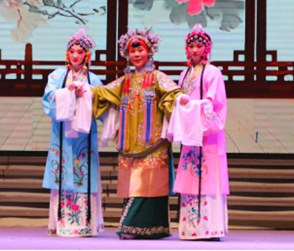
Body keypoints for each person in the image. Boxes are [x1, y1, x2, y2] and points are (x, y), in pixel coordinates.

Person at [74, 28, 187, 239]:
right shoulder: (124, 81)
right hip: (129, 144)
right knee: (135, 186)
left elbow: (173, 94)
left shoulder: (158, 78)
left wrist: (179, 100)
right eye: (132, 52)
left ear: (149, 52)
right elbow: (102, 92)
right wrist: (85, 90)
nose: (136, 55)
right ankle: (151, 228)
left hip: (153, 144)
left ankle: (131, 227)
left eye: (140, 50)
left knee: (148, 185)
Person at [41, 28, 105, 237]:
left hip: (84, 137)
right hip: (61, 136)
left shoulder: (93, 80)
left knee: (82, 174)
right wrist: (68, 93)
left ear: (87, 55)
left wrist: (86, 95)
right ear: (67, 53)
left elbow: (101, 105)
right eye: (72, 51)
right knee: (62, 175)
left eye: (80, 52)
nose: (75, 55)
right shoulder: (57, 76)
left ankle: (85, 224)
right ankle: (60, 224)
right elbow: (48, 100)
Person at [174, 24, 229, 240]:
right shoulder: (184, 74)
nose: (195, 50)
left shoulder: (213, 72)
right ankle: (191, 227)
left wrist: (194, 106)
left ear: (207, 48)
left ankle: (210, 227)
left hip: (207, 135)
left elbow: (214, 101)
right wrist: (182, 102)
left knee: (208, 174)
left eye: (199, 46)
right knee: (190, 176)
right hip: (191, 133)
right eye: (191, 46)